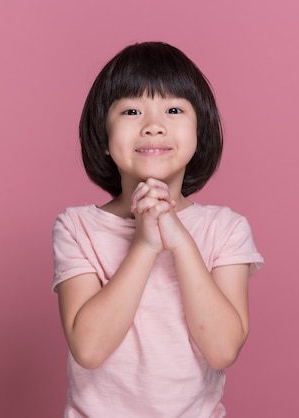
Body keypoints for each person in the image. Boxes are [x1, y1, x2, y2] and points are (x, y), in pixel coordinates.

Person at [51, 42, 264, 417]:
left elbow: (223, 349)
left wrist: (180, 241)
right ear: (102, 136)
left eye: (174, 109)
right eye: (132, 111)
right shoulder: (78, 227)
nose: (153, 125)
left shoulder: (226, 229)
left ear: (200, 133)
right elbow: (88, 349)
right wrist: (145, 245)